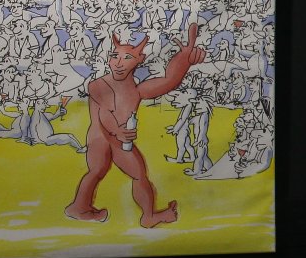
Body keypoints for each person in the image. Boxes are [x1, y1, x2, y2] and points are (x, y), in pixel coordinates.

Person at [64, 22, 206, 226]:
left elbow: (169, 80)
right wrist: (117, 131)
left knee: (139, 174)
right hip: (100, 138)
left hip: (121, 140)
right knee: (96, 170)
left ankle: (148, 216)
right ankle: (79, 207)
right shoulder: (98, 84)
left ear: (140, 60)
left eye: (127, 58)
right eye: (115, 56)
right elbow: (105, 112)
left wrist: (185, 59)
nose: (119, 63)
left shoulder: (136, 90)